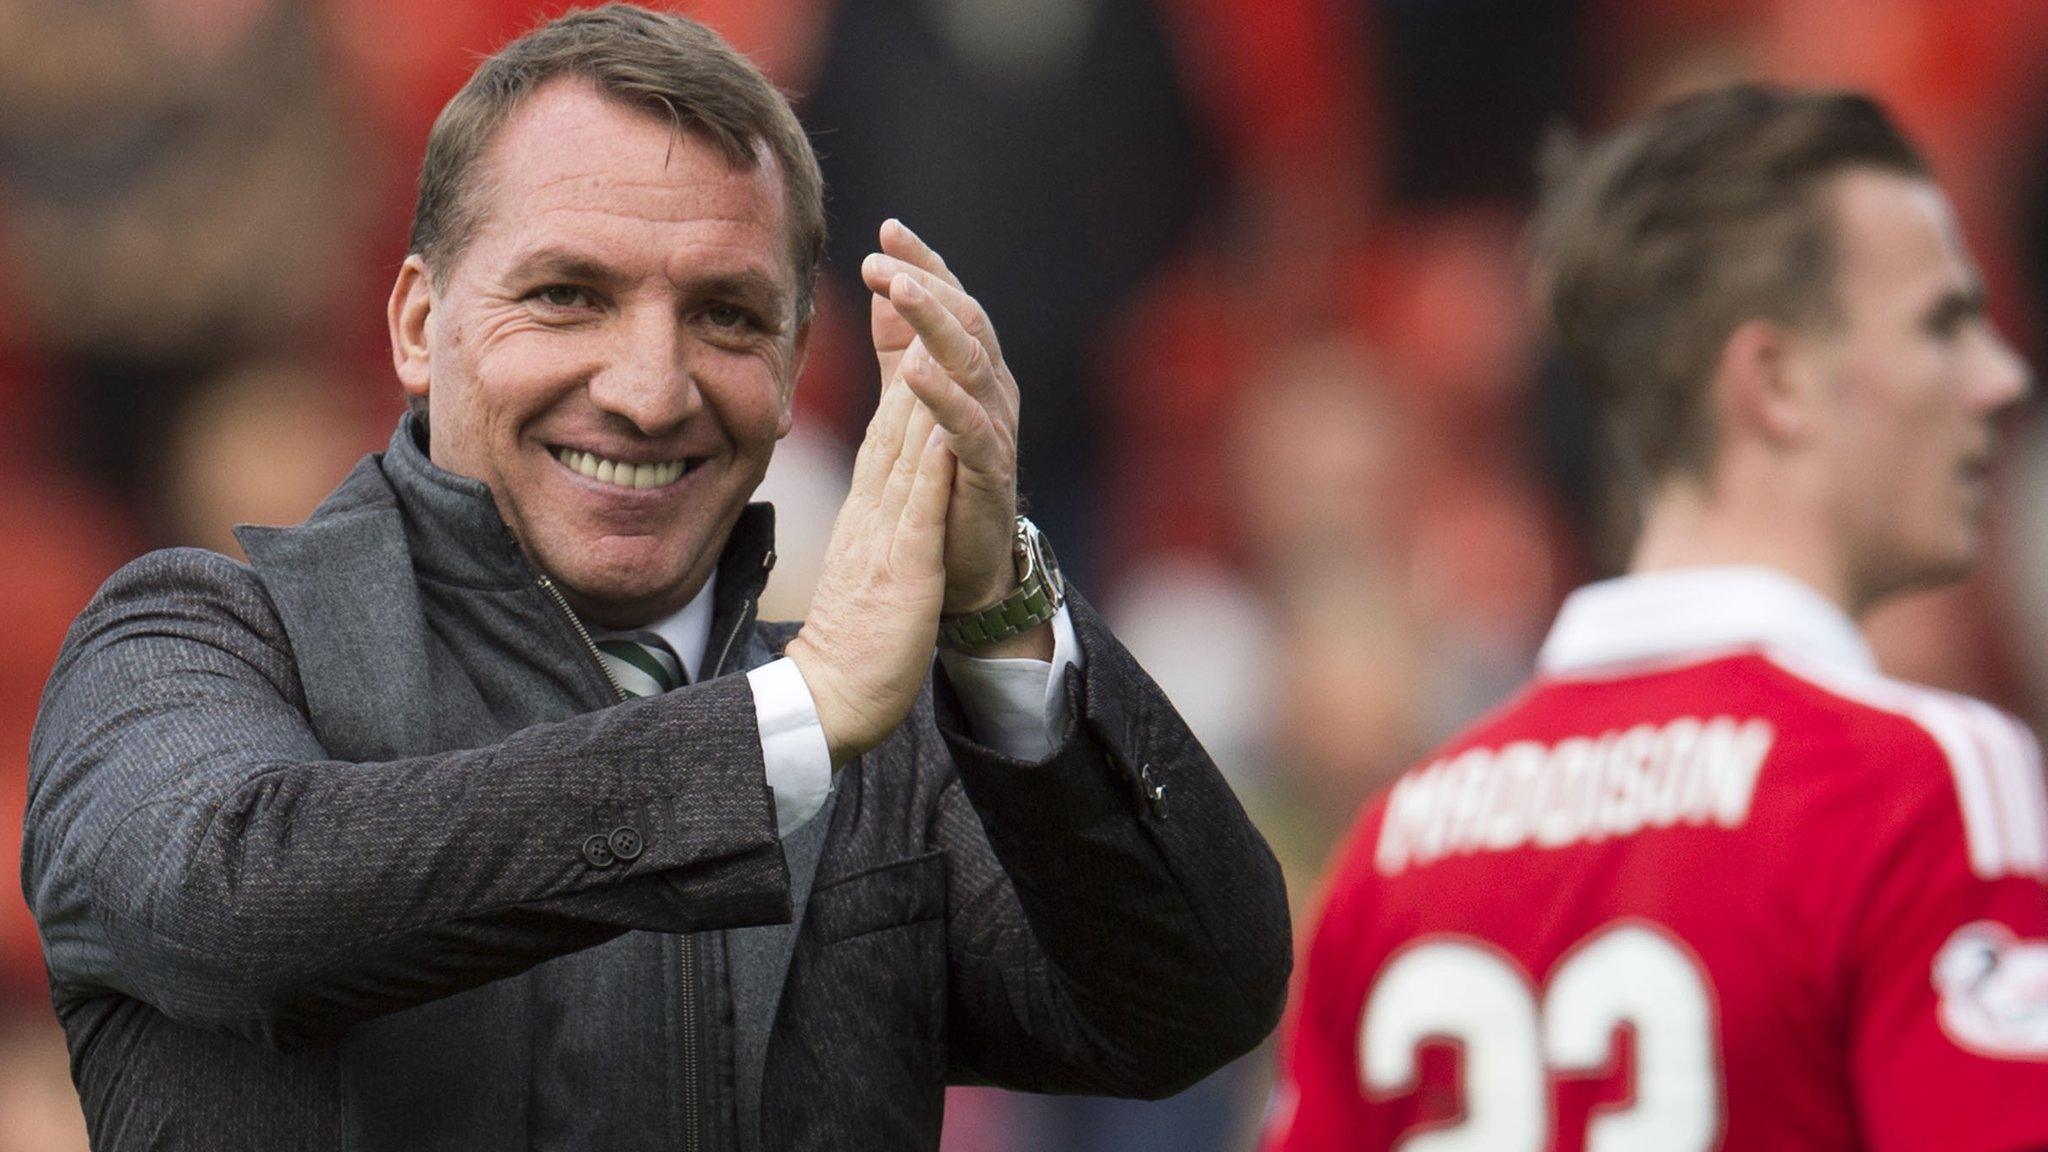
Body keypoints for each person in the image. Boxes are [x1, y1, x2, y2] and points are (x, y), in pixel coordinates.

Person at [22, 6, 1291, 1150]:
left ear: (800, 369)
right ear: (416, 324)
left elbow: (1187, 1004)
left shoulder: (880, 735)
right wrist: (782, 731)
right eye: (569, 296)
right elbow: (237, 911)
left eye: (727, 317)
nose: (649, 389)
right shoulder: (191, 644)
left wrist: (1003, 611)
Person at [1266, 84, 2047, 1152]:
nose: (1997, 380)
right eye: (1944, 324)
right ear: (1773, 379)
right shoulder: (1923, 782)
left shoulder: (1392, 850)